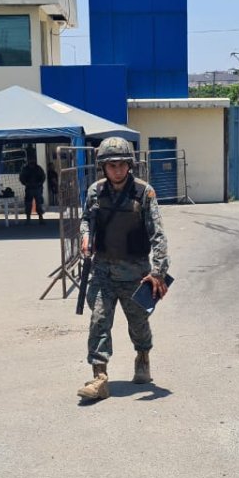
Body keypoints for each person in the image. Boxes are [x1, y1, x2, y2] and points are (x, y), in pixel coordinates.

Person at [75, 137, 170, 401]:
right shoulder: (95, 192)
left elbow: (158, 236)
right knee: (99, 323)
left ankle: (142, 356)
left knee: (138, 324)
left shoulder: (144, 192)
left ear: (130, 165)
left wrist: (159, 272)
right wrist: (85, 236)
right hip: (103, 272)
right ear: (103, 168)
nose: (117, 170)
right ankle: (99, 378)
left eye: (121, 164)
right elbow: (86, 221)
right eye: (111, 165)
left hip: (136, 274)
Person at [19, 149, 47, 224]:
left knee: (39, 203)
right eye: (30, 159)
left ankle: (41, 218)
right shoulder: (25, 169)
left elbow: (43, 176)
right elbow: (21, 177)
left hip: (37, 188)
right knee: (28, 204)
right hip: (29, 188)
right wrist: (25, 183)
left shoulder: (38, 168)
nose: (32, 161)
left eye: (33, 159)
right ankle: (28, 219)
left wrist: (40, 183)